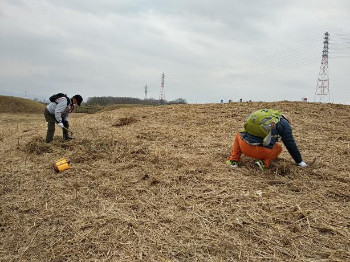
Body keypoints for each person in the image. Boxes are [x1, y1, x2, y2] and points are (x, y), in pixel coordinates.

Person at [227, 111, 307, 170]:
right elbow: (290, 144)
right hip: (260, 152)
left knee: (239, 135)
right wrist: (299, 161)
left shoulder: (266, 116)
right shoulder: (285, 124)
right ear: (288, 122)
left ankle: (233, 161)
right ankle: (263, 164)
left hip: (244, 146)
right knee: (279, 147)